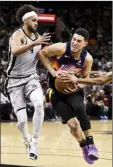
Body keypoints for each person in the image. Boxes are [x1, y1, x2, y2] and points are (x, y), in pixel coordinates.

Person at [39, 28, 98, 164]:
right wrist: (53, 73)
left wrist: (77, 85)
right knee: (73, 125)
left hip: (73, 90)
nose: (75, 43)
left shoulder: (87, 59)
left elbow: (85, 79)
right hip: (56, 92)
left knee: (79, 107)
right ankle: (84, 147)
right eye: (74, 39)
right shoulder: (60, 48)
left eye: (79, 41)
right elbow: (41, 53)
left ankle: (91, 144)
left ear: (85, 44)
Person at [5, 4, 51, 160]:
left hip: (31, 77)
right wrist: (35, 43)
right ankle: (26, 140)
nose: (36, 23)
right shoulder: (18, 35)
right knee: (23, 121)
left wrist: (49, 55)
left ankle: (35, 142)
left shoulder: (37, 37)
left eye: (37, 20)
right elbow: (15, 50)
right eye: (34, 20)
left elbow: (40, 56)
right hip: (14, 81)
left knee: (39, 103)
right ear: (26, 21)